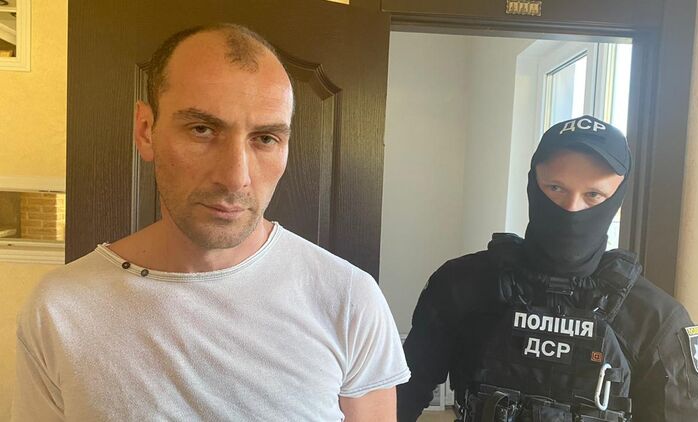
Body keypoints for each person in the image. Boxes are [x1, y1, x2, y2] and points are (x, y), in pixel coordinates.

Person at [12, 24, 409, 421]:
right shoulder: (59, 308)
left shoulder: (348, 299)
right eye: (202, 130)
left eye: (265, 138)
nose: (236, 178)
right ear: (146, 130)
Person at [397, 116, 698, 421]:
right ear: (533, 184)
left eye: (593, 195)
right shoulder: (460, 284)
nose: (571, 208)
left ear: (617, 199)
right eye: (556, 188)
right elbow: (399, 399)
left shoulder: (656, 320)